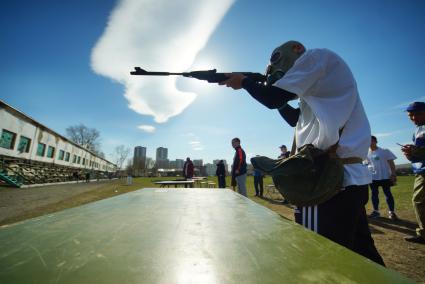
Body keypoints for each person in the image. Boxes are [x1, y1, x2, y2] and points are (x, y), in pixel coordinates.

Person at [218, 41, 384, 265]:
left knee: (320, 259)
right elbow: (293, 119)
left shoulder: (315, 57)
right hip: (346, 179)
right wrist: (265, 87)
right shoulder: (317, 90)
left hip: (328, 179)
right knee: (362, 256)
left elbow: (272, 98)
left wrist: (245, 82)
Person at [401, 102, 425, 244]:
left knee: (419, 201)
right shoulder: (417, 131)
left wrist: (415, 151)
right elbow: (417, 155)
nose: (413, 118)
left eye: (417, 114)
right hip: (420, 170)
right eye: (410, 115)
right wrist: (409, 154)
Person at [365, 136, 398, 220]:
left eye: (371, 141)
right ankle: (376, 211)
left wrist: (393, 174)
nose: (369, 143)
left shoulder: (384, 151)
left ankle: (392, 212)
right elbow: (366, 164)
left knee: (388, 194)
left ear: (376, 141)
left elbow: (391, 163)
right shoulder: (366, 153)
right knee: (374, 194)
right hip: (373, 178)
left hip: (385, 176)